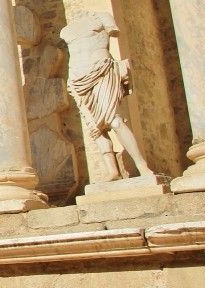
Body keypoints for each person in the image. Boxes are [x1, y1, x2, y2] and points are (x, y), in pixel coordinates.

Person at [59, 11, 153, 181]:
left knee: (113, 120)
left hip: (102, 70)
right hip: (78, 77)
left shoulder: (100, 17)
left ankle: (142, 165)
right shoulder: (66, 30)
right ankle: (112, 171)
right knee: (94, 128)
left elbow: (114, 32)